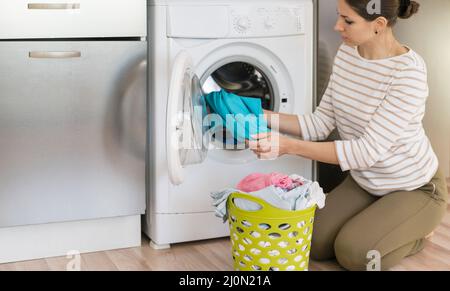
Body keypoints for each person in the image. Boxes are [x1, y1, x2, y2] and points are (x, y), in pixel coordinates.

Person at [248, 0, 448, 271]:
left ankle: (418, 235)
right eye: (338, 16)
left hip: (413, 187)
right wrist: (260, 115)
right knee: (311, 241)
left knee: (356, 255)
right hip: (367, 181)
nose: (337, 26)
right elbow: (320, 123)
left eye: (348, 21)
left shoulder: (408, 74)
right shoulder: (347, 53)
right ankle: (381, 222)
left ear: (378, 25)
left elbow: (365, 152)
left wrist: (287, 146)